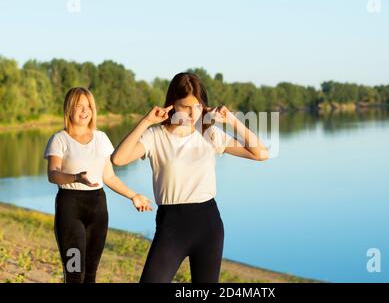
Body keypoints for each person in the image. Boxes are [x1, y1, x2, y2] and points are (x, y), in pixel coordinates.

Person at [111, 72, 269, 283]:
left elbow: (261, 154)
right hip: (171, 225)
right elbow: (118, 159)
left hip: (208, 223)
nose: (193, 114)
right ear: (172, 104)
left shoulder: (208, 134)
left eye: (198, 106)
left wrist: (231, 120)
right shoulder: (155, 136)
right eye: (186, 106)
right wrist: (146, 121)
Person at [44, 87, 151, 283]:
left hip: (98, 208)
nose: (84, 111)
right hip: (70, 208)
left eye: (89, 107)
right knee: (74, 272)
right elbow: (53, 174)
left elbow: (109, 177)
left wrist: (133, 196)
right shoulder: (59, 139)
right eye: (78, 106)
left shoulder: (101, 138)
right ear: (68, 109)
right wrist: (76, 177)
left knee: (91, 274)